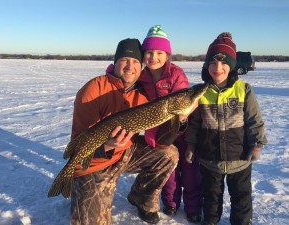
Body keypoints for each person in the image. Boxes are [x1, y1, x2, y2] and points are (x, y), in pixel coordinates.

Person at [70, 38, 190, 225]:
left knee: (168, 154)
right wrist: (108, 144)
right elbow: (80, 143)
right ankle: (78, 191)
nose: (130, 66)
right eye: (125, 60)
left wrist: (181, 119)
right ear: (115, 62)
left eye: (135, 61)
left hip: (125, 152)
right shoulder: (94, 89)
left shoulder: (143, 93)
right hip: (94, 162)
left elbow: (161, 138)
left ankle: (140, 198)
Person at [184, 32, 268, 225]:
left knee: (241, 196)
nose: (218, 68)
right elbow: (195, 123)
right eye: (213, 63)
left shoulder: (243, 89)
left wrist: (256, 144)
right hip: (209, 158)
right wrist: (190, 145)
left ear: (232, 66)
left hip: (239, 158)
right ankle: (211, 221)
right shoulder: (200, 92)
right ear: (206, 66)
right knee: (211, 196)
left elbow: (254, 120)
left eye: (223, 63)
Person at [139, 25, 203, 223]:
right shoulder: (142, 78)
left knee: (190, 170)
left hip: (183, 129)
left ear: (167, 55)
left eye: (159, 52)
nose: (153, 57)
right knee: (169, 170)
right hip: (161, 132)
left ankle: (193, 207)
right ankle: (171, 203)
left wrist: (182, 118)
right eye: (149, 52)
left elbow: (187, 102)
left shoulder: (176, 73)